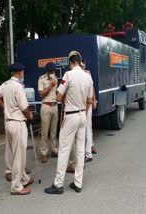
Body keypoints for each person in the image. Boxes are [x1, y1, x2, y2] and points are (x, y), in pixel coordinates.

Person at [44, 51, 93, 194]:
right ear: (80, 62)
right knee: (80, 150)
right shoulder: (88, 77)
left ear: (71, 63)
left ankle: (58, 185)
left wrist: (66, 97)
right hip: (82, 115)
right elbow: (89, 100)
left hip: (70, 116)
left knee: (64, 149)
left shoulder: (68, 75)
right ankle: (78, 183)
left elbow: (58, 97)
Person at [0, 62, 34, 195]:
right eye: (22, 72)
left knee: (16, 153)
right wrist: (30, 116)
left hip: (9, 122)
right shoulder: (18, 87)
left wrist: (5, 108)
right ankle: (16, 186)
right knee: (19, 156)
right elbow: (24, 107)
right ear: (20, 72)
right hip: (18, 123)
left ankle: (24, 178)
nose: (23, 74)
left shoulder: (6, 85)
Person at [38, 62, 58, 163]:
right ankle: (44, 153)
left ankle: (54, 150)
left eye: (53, 70)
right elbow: (41, 94)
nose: (52, 72)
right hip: (46, 106)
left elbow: (56, 92)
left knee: (54, 131)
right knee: (45, 132)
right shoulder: (41, 79)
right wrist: (50, 85)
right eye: (51, 71)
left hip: (55, 106)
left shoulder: (56, 79)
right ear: (47, 71)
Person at [81, 60, 97, 163]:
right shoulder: (81, 74)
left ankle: (87, 153)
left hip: (87, 103)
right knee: (86, 128)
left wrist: (94, 100)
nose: (83, 65)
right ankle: (87, 151)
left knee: (86, 128)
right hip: (82, 103)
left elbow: (92, 88)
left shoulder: (87, 73)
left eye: (83, 63)